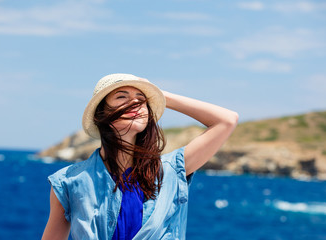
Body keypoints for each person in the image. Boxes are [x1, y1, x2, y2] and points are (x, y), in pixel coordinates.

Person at [42, 73, 238, 240]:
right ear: (100, 114)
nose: (135, 102)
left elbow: (227, 120)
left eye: (141, 99)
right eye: (121, 96)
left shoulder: (171, 170)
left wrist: (161, 96)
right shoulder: (68, 182)